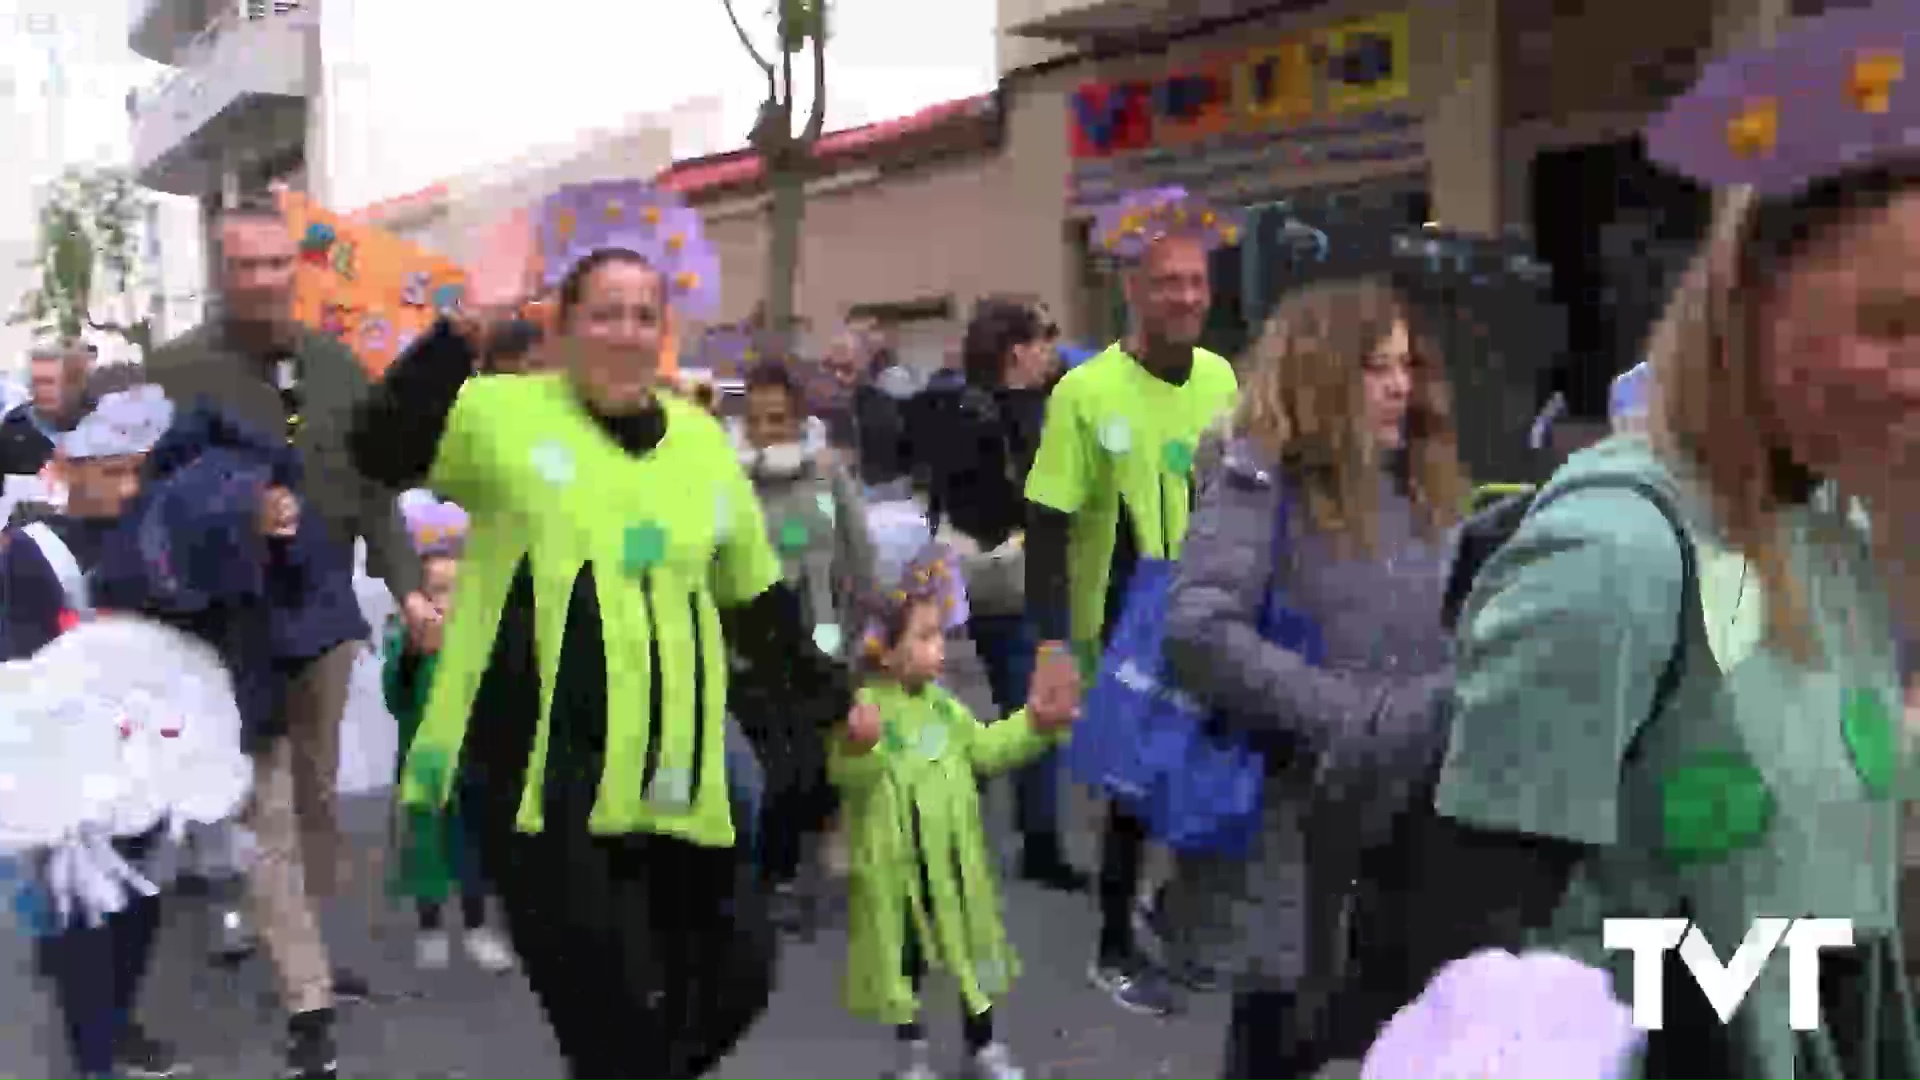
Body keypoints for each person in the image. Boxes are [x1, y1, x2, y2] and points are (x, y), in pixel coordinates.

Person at [1411, 7, 1920, 1078]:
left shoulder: (1831, 521)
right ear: (1749, 303)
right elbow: (1473, 978)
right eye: (1892, 324)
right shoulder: (1614, 560)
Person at [345, 179, 939, 1079]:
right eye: (604, 313)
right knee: (610, 1020)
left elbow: (756, 598)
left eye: (642, 313)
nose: (624, 331)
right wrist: (459, 336)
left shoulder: (702, 440)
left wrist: (835, 699)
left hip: (676, 772)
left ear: (663, 327)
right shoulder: (502, 415)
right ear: (564, 325)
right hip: (543, 783)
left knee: (736, 974)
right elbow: (377, 451)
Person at [1157, 279, 1467, 1079]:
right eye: (1375, 367)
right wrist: (1344, 716)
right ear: (1322, 371)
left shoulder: (1415, 471)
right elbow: (1199, 628)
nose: (1401, 385)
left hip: (1412, 807)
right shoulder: (1257, 471)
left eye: (1405, 364)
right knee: (1282, 1035)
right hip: (1302, 815)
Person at [143, 194, 423, 1078]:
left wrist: (410, 588)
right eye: (244, 266)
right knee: (265, 807)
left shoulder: (337, 367)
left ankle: (307, 951)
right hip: (234, 630)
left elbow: (374, 488)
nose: (262, 281)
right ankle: (307, 1003)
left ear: (294, 270)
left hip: (326, 622)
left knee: (314, 802)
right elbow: (142, 505)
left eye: (275, 264)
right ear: (221, 273)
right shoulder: (175, 371)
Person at [1024, 186, 1241, 1016]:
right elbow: (1047, 524)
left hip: (1210, 612)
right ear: (1132, 290)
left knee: (1203, 777)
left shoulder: (1223, 378)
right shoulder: (1085, 393)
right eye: (1166, 282)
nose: (1184, 296)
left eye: (1194, 281)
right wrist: (1051, 648)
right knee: (1131, 794)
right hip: (1120, 625)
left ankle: (1172, 918)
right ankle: (1112, 946)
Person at [831, 548, 1078, 1080]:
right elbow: (852, 780)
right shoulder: (866, 711)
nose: (938, 648)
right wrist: (858, 748)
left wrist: (1033, 724)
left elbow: (985, 751)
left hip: (958, 866)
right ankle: (912, 1056)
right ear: (886, 651)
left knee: (974, 954)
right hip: (899, 873)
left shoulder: (945, 707)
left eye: (939, 635)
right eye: (923, 638)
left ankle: (983, 1046)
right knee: (908, 963)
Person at [1, 384, 185, 1080]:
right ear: (70, 464)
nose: (128, 485)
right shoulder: (33, 553)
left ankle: (114, 1020)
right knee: (85, 919)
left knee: (140, 908)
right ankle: (94, 1056)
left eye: (138, 469)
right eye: (111, 469)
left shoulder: (153, 538)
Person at [917, 297, 1085, 892]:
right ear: (1018, 351)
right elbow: (1032, 501)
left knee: (954, 711)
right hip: (1016, 580)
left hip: (956, 581)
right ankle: (1037, 845)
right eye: (1046, 338)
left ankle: (951, 838)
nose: (1054, 350)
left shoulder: (949, 404)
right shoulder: (1024, 414)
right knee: (1031, 712)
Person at [734, 358, 876, 935]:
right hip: (750, 648)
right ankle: (775, 879)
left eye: (780, 419)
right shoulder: (729, 480)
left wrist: (866, 626)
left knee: (814, 768)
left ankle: (796, 868)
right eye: (760, 420)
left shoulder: (827, 476)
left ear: (799, 420)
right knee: (774, 769)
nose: (770, 431)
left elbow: (859, 554)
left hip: (820, 641)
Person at [383, 496, 515, 974]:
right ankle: (431, 927)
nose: (447, 601)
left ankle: (478, 926)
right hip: (425, 765)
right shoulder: (406, 642)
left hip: (476, 764)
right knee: (427, 851)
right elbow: (396, 698)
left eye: (456, 590)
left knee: (477, 847)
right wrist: (415, 654)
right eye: (437, 590)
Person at [0, 341, 93, 477]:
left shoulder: (98, 423)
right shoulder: (13, 427)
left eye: (49, 382)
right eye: (36, 382)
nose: (42, 390)